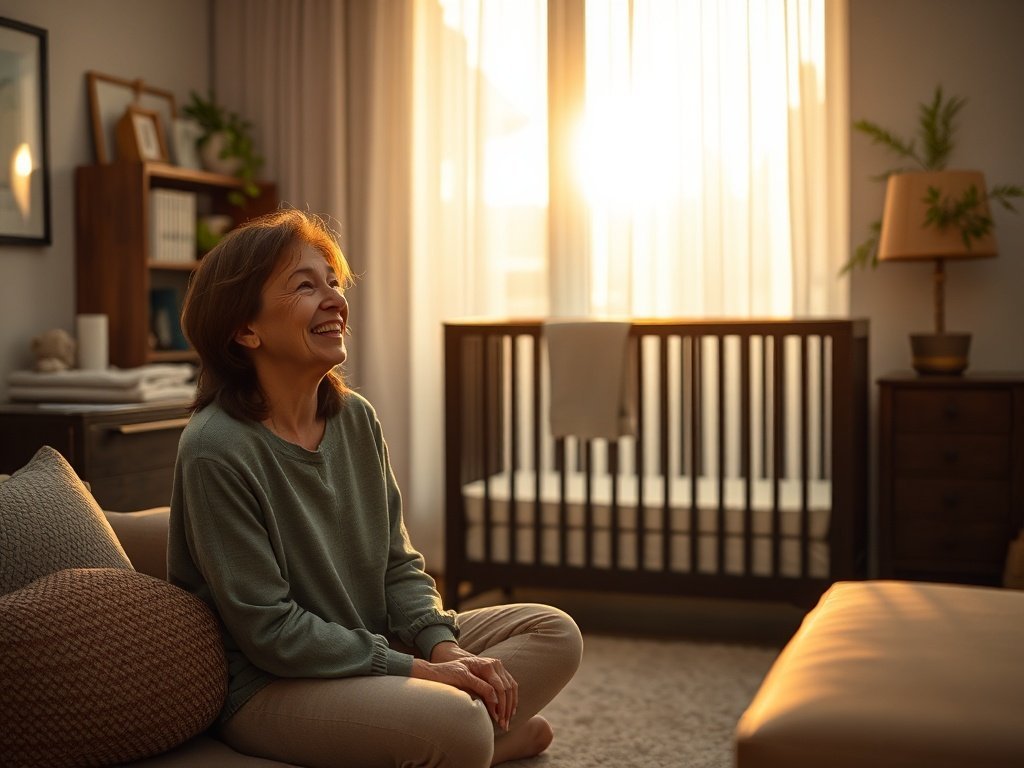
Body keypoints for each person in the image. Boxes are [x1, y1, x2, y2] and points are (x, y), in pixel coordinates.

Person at [168, 208, 582, 768]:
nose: (335, 300)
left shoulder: (355, 418)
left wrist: (445, 647)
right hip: (274, 685)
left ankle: (455, 742)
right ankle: (476, 738)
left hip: (375, 642)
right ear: (245, 329)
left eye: (334, 282)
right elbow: (270, 632)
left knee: (554, 632)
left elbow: (398, 564)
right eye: (305, 286)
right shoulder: (215, 448)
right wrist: (420, 672)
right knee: (459, 723)